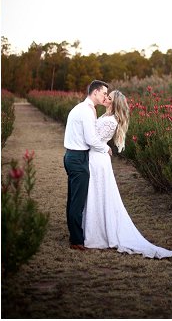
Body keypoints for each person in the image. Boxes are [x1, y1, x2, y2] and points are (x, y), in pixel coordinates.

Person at [83, 90, 172, 258]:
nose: (105, 98)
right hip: (96, 157)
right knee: (95, 193)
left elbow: (94, 140)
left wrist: (104, 146)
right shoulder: (106, 116)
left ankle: (98, 233)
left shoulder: (111, 121)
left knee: (98, 193)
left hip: (98, 159)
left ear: (114, 103)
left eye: (109, 97)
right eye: (106, 96)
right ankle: (92, 227)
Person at [62, 80, 110, 250]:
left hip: (72, 156)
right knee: (77, 201)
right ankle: (76, 240)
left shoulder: (82, 108)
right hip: (77, 158)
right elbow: (91, 139)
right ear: (95, 92)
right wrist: (106, 148)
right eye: (104, 93)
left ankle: (74, 235)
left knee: (73, 199)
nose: (105, 96)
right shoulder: (86, 111)